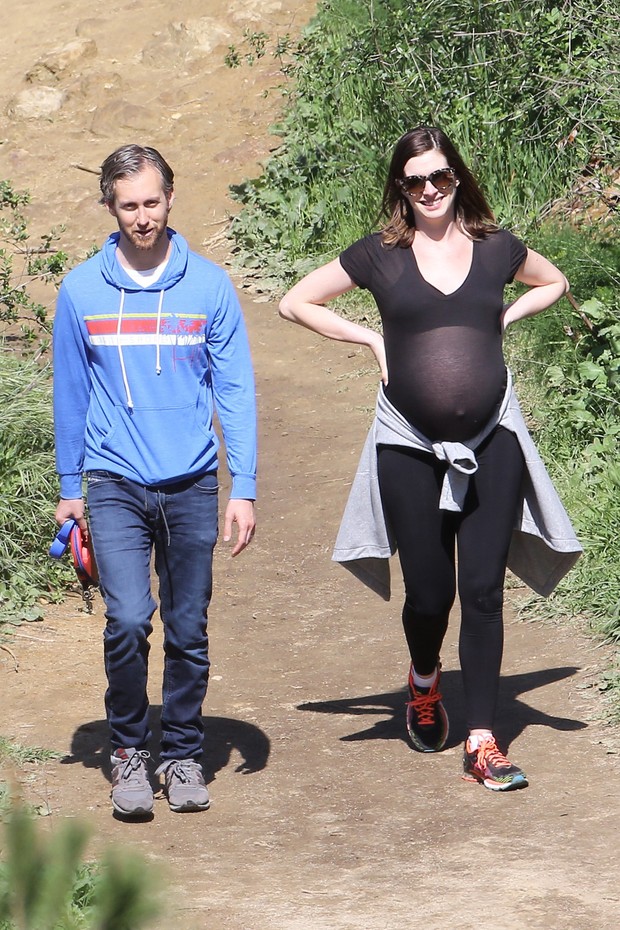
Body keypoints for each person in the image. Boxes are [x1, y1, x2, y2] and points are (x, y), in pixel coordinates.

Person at [279, 126, 581, 792]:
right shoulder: (380, 256)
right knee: (430, 592)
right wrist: (368, 339)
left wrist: (505, 318)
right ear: (401, 189)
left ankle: (482, 740)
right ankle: (423, 680)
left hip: (491, 438)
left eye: (440, 177)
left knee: (481, 590)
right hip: (407, 445)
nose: (429, 190)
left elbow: (553, 280)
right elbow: (294, 301)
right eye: (415, 181)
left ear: (458, 179)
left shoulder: (496, 248)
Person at [53, 144, 257, 817]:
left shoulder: (209, 287)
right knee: (130, 620)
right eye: (128, 204)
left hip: (193, 482)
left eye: (151, 201)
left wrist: (244, 485)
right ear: (110, 207)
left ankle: (181, 753)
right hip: (113, 482)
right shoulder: (82, 290)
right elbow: (71, 395)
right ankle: (130, 753)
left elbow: (234, 390)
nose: (142, 216)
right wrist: (69, 485)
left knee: (188, 627)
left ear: (170, 197)